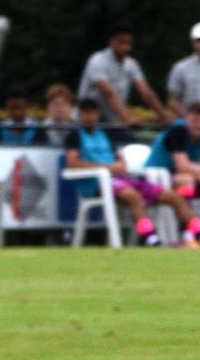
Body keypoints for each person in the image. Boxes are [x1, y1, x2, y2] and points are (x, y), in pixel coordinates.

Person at [63, 96, 189, 247]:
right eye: (86, 113)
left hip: (120, 180)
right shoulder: (74, 136)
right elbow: (72, 163)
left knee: (172, 196)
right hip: (96, 184)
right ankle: (149, 237)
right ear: (79, 115)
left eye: (93, 113)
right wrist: (107, 168)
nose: (90, 117)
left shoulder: (104, 134)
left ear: (97, 114)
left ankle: (191, 236)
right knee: (133, 196)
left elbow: (118, 157)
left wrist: (121, 165)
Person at [143, 101, 200, 246]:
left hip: (188, 175)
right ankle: (187, 233)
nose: (199, 125)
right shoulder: (178, 131)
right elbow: (181, 166)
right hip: (159, 179)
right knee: (186, 180)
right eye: (195, 120)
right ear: (186, 118)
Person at [78, 25, 166, 124]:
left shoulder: (131, 64)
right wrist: (128, 118)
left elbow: (146, 92)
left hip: (111, 122)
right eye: (121, 42)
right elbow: (108, 93)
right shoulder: (97, 60)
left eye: (128, 43)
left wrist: (163, 116)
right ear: (111, 41)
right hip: (88, 122)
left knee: (133, 139)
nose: (125, 47)